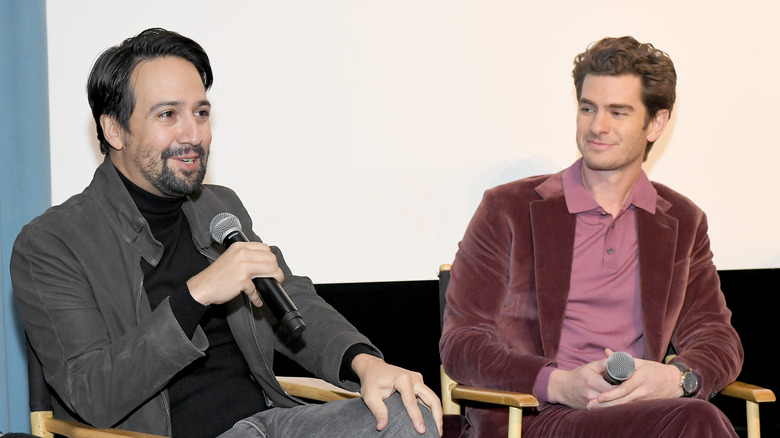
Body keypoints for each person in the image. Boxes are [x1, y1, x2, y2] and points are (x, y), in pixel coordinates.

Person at [12, 28, 442, 438]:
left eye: (201, 113)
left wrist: (364, 362)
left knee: (410, 415)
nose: (193, 134)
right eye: (168, 115)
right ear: (114, 129)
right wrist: (196, 294)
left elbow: (290, 303)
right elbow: (93, 394)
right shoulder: (51, 244)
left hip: (265, 424)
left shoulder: (219, 207)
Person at [439, 36, 743, 437]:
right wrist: (559, 384)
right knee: (699, 421)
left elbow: (717, 337)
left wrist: (679, 378)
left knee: (694, 416)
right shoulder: (507, 209)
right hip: (533, 415)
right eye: (588, 108)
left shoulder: (682, 222)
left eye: (617, 112)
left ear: (656, 123)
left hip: (636, 415)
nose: (597, 126)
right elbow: (462, 343)